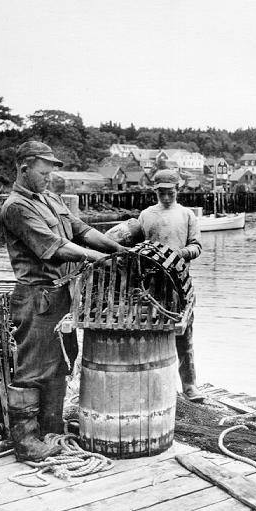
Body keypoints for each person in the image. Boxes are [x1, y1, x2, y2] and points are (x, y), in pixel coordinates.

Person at [0, 140, 127, 461]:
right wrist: (97, 258)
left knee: (58, 365)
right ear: (23, 168)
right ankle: (26, 442)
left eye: (50, 173)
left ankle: (51, 430)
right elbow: (56, 246)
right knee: (31, 368)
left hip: (62, 295)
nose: (48, 178)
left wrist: (118, 250)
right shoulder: (16, 207)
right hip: (37, 297)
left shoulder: (51, 199)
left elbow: (82, 230)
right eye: (43, 173)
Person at [106, 169, 204, 401]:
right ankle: (147, 383)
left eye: (170, 193)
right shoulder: (146, 215)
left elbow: (197, 246)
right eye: (162, 193)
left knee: (184, 334)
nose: (166, 197)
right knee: (144, 330)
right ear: (155, 192)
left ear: (177, 190)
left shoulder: (187, 215)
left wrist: (179, 253)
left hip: (178, 283)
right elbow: (133, 245)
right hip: (148, 285)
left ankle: (189, 386)